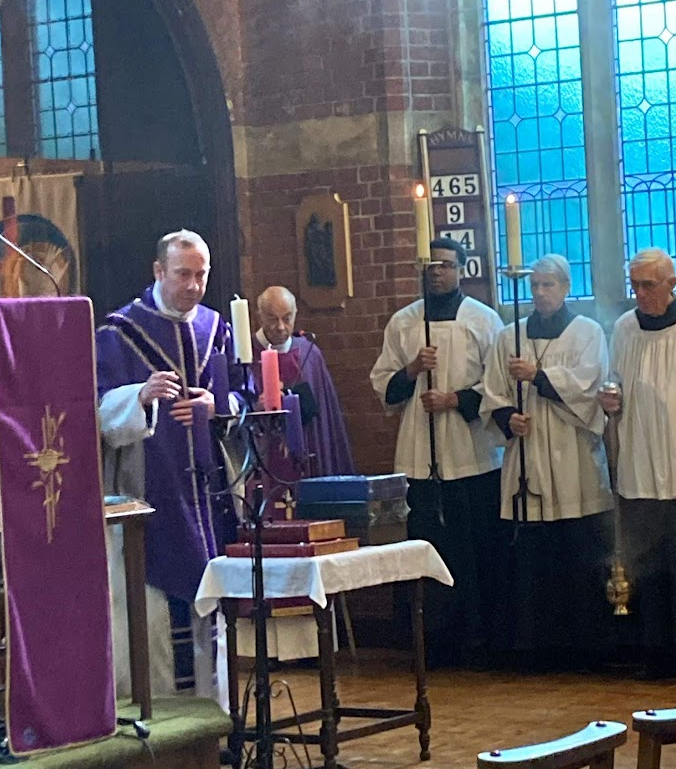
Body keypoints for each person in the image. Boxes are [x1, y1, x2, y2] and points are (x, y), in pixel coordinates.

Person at [96, 229, 242, 706]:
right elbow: (94, 411)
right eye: (184, 274)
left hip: (207, 501)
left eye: (202, 275)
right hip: (149, 501)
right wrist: (138, 396)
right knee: (154, 615)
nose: (194, 286)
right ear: (158, 271)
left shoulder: (217, 330)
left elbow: (247, 398)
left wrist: (216, 403)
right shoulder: (119, 333)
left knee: (208, 616)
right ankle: (158, 721)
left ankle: (210, 724)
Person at [370, 238, 503, 669]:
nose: (438, 273)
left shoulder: (484, 320)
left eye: (446, 265)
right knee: (424, 543)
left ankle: (478, 639)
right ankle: (428, 641)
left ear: (461, 269)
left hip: (470, 452)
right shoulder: (405, 322)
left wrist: (455, 400)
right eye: (432, 266)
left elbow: (498, 387)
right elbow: (383, 385)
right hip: (419, 452)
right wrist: (412, 370)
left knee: (472, 545)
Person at [481, 254, 613, 670]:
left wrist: (538, 376)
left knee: (577, 551)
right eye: (534, 285)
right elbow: (492, 392)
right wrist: (508, 418)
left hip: (573, 457)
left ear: (566, 287)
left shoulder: (587, 332)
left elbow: (588, 387)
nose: (539, 293)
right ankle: (533, 647)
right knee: (533, 558)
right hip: (528, 454)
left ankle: (586, 648)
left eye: (548, 285)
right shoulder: (509, 336)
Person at [599, 247, 676, 679]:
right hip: (641, 461)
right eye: (636, 285)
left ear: (671, 284)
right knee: (648, 564)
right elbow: (615, 382)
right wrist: (610, 398)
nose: (641, 293)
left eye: (649, 285)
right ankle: (655, 654)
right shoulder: (625, 328)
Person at [253, 285, 354, 479]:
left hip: (308, 454)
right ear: (259, 316)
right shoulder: (246, 356)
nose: (281, 327)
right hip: (264, 459)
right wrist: (256, 405)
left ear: (296, 315)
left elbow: (325, 415)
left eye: (287, 318)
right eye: (273, 319)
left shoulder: (309, 354)